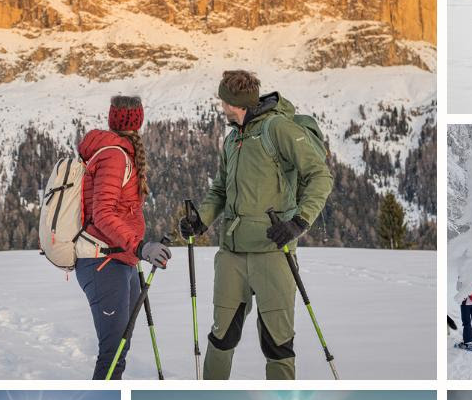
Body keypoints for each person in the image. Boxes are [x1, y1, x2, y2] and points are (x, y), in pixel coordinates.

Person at [180, 70, 333, 380]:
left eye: (224, 101)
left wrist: (298, 222)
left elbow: (321, 176)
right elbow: (220, 190)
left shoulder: (278, 130)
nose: (221, 106)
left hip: (272, 252)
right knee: (221, 336)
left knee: (277, 342)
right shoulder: (232, 138)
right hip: (232, 254)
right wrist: (201, 221)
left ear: (237, 103)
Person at [75, 96, 172, 380]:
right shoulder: (114, 156)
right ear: (138, 120)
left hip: (122, 259)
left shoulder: (122, 153)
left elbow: (121, 211)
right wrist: (140, 247)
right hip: (103, 262)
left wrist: (136, 249)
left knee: (120, 348)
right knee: (113, 353)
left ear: (112, 118)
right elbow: (103, 213)